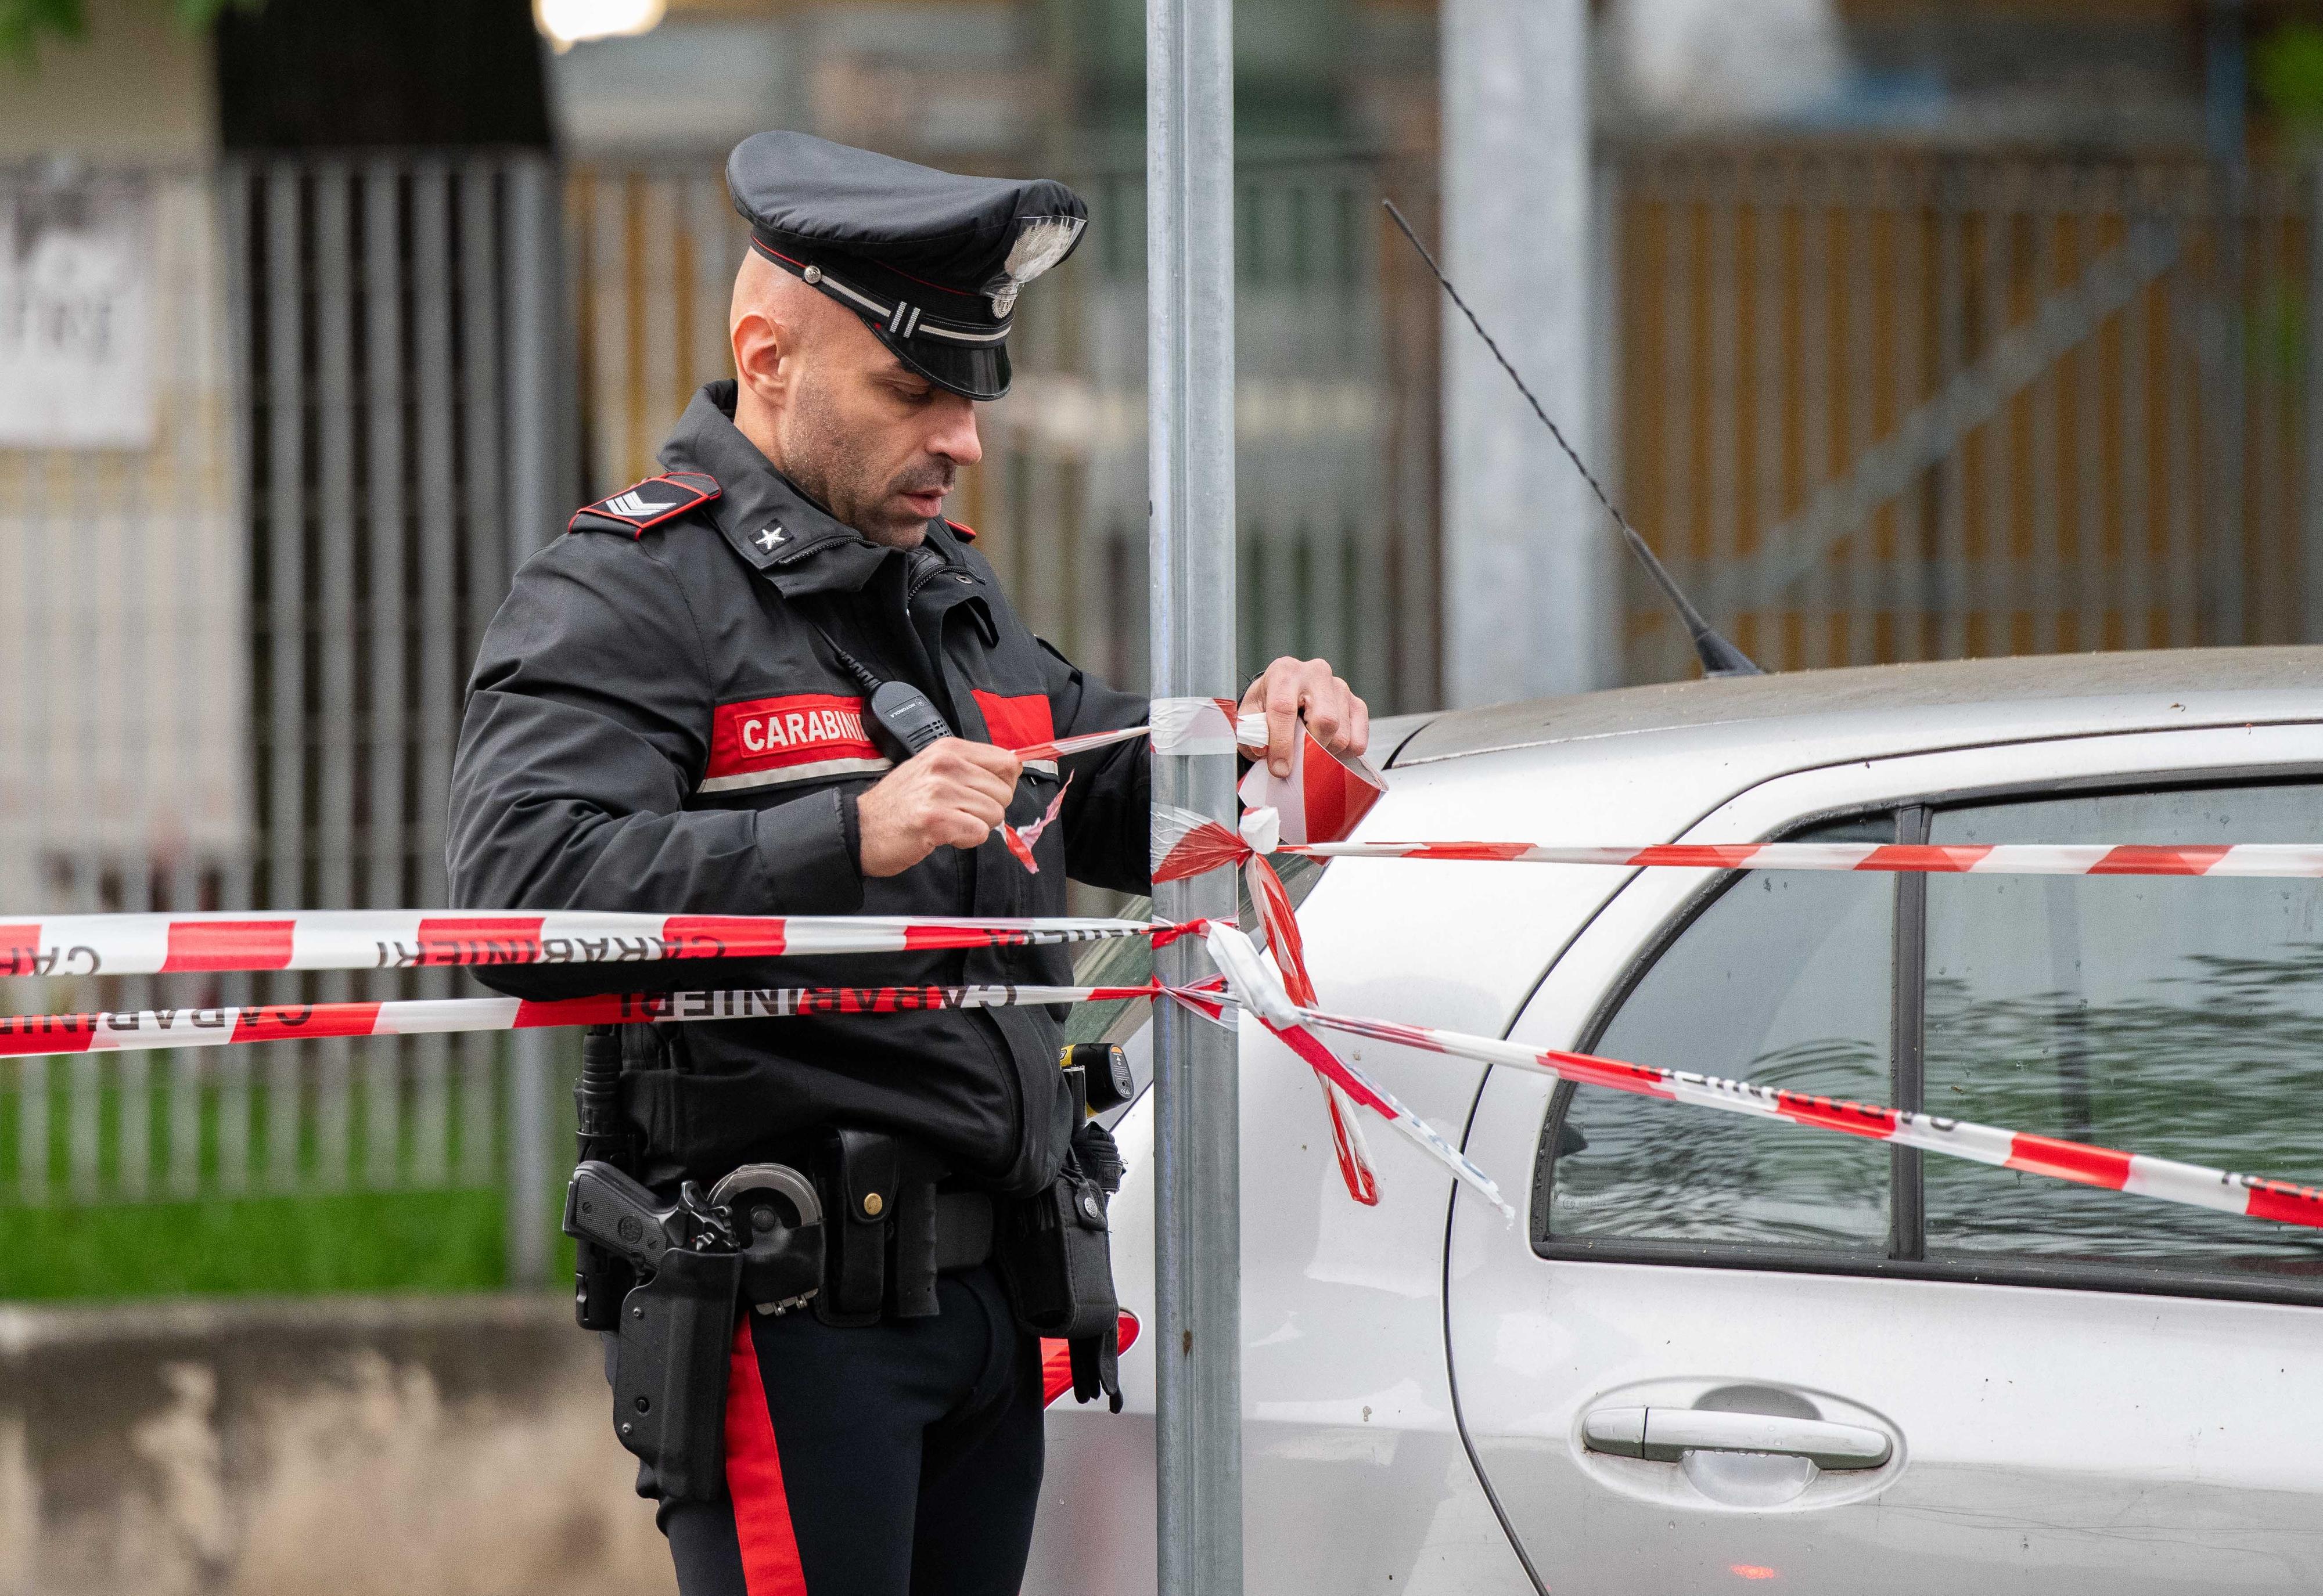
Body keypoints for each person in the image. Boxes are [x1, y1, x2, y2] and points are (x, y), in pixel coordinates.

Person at [445, 131, 1370, 1596]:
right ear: (768, 359)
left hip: (993, 1296)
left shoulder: (945, 590)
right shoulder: (629, 591)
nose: (963, 442)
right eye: (914, 393)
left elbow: (1098, 797)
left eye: (972, 399)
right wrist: (844, 833)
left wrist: (1260, 749)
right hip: (798, 1308)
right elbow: (509, 903)